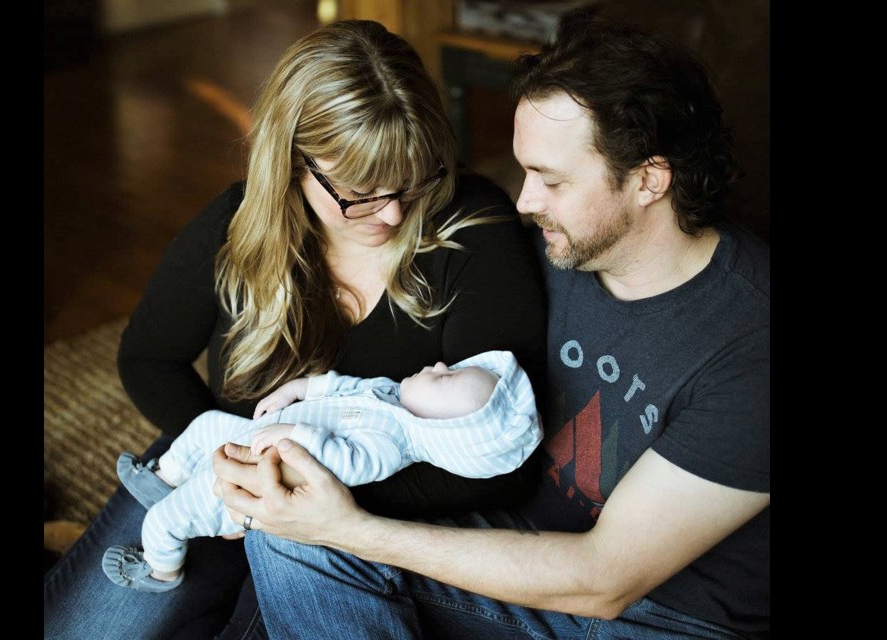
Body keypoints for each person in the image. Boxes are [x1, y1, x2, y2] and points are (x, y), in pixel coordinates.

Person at [215, 9, 770, 639]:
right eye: (525, 170)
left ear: (649, 179)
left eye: (551, 180)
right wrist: (318, 403)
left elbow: (605, 578)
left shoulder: (752, 344)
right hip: (520, 546)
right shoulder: (554, 249)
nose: (526, 201)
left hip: (656, 618)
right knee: (287, 527)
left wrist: (348, 529)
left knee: (313, 536)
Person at [42, 18, 546, 639]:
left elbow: (509, 455)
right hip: (224, 467)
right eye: (360, 193)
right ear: (293, 162)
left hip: (358, 519)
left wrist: (319, 506)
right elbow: (148, 357)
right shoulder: (237, 224)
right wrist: (225, 462)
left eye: (411, 178)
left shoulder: (473, 231)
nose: (390, 213)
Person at [103, 350, 540, 593]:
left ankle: (161, 570)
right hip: (261, 438)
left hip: (261, 481)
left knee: (164, 521)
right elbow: (342, 386)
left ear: (445, 428)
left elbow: (344, 462)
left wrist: (296, 430)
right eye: (455, 367)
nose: (442, 366)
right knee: (206, 425)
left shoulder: (392, 447)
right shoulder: (389, 394)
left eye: (446, 380)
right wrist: (298, 389)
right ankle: (164, 476)